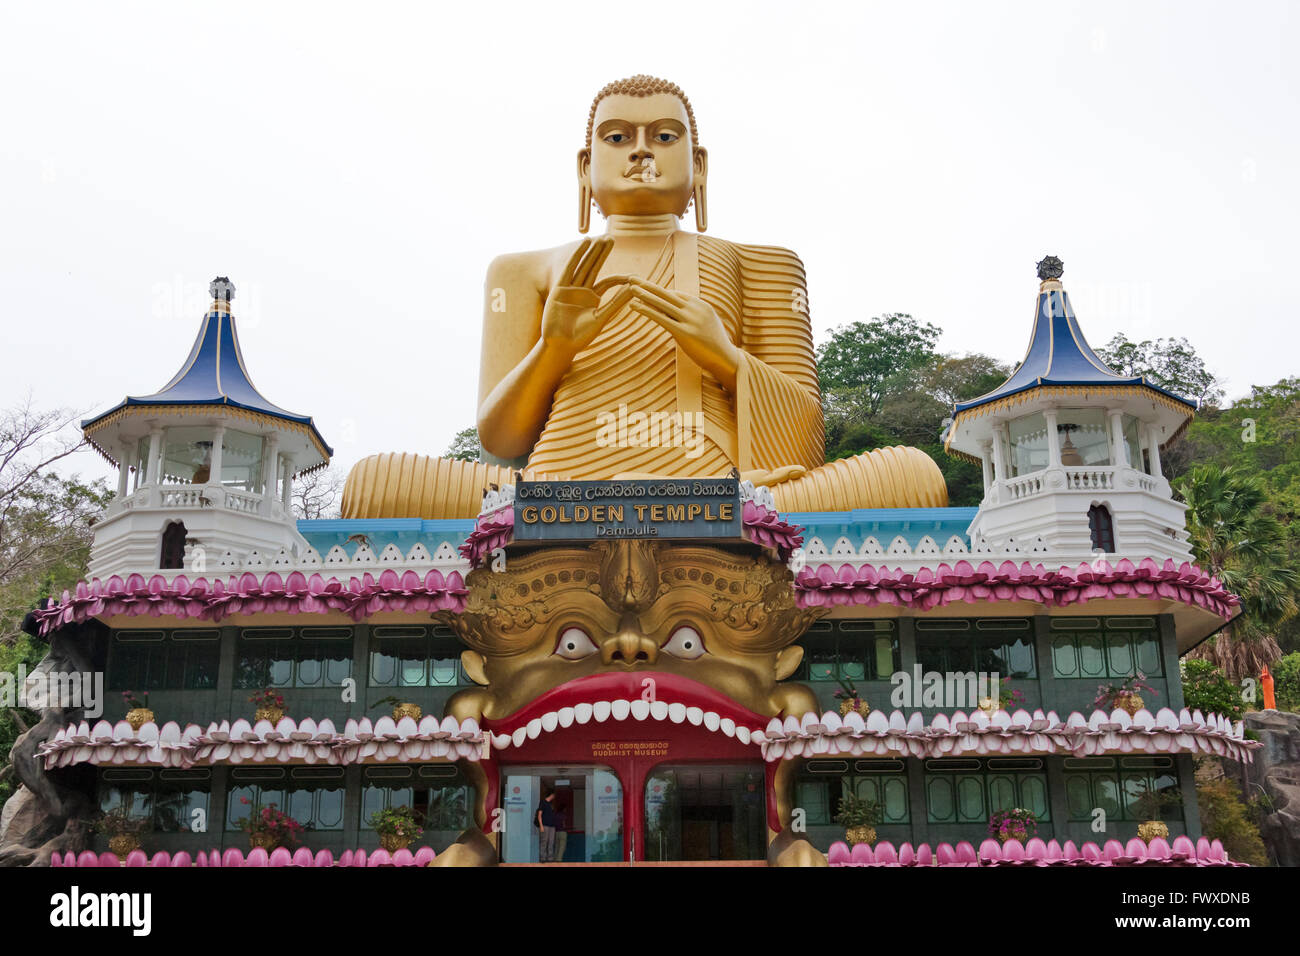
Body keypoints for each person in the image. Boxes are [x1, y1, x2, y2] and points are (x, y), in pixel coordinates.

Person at [536, 788, 559, 863]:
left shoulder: (551, 804)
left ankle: (550, 859)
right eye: (554, 795)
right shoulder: (543, 802)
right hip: (545, 825)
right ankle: (543, 858)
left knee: (551, 842)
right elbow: (539, 815)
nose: (554, 796)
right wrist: (541, 826)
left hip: (552, 826)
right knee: (544, 842)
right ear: (551, 795)